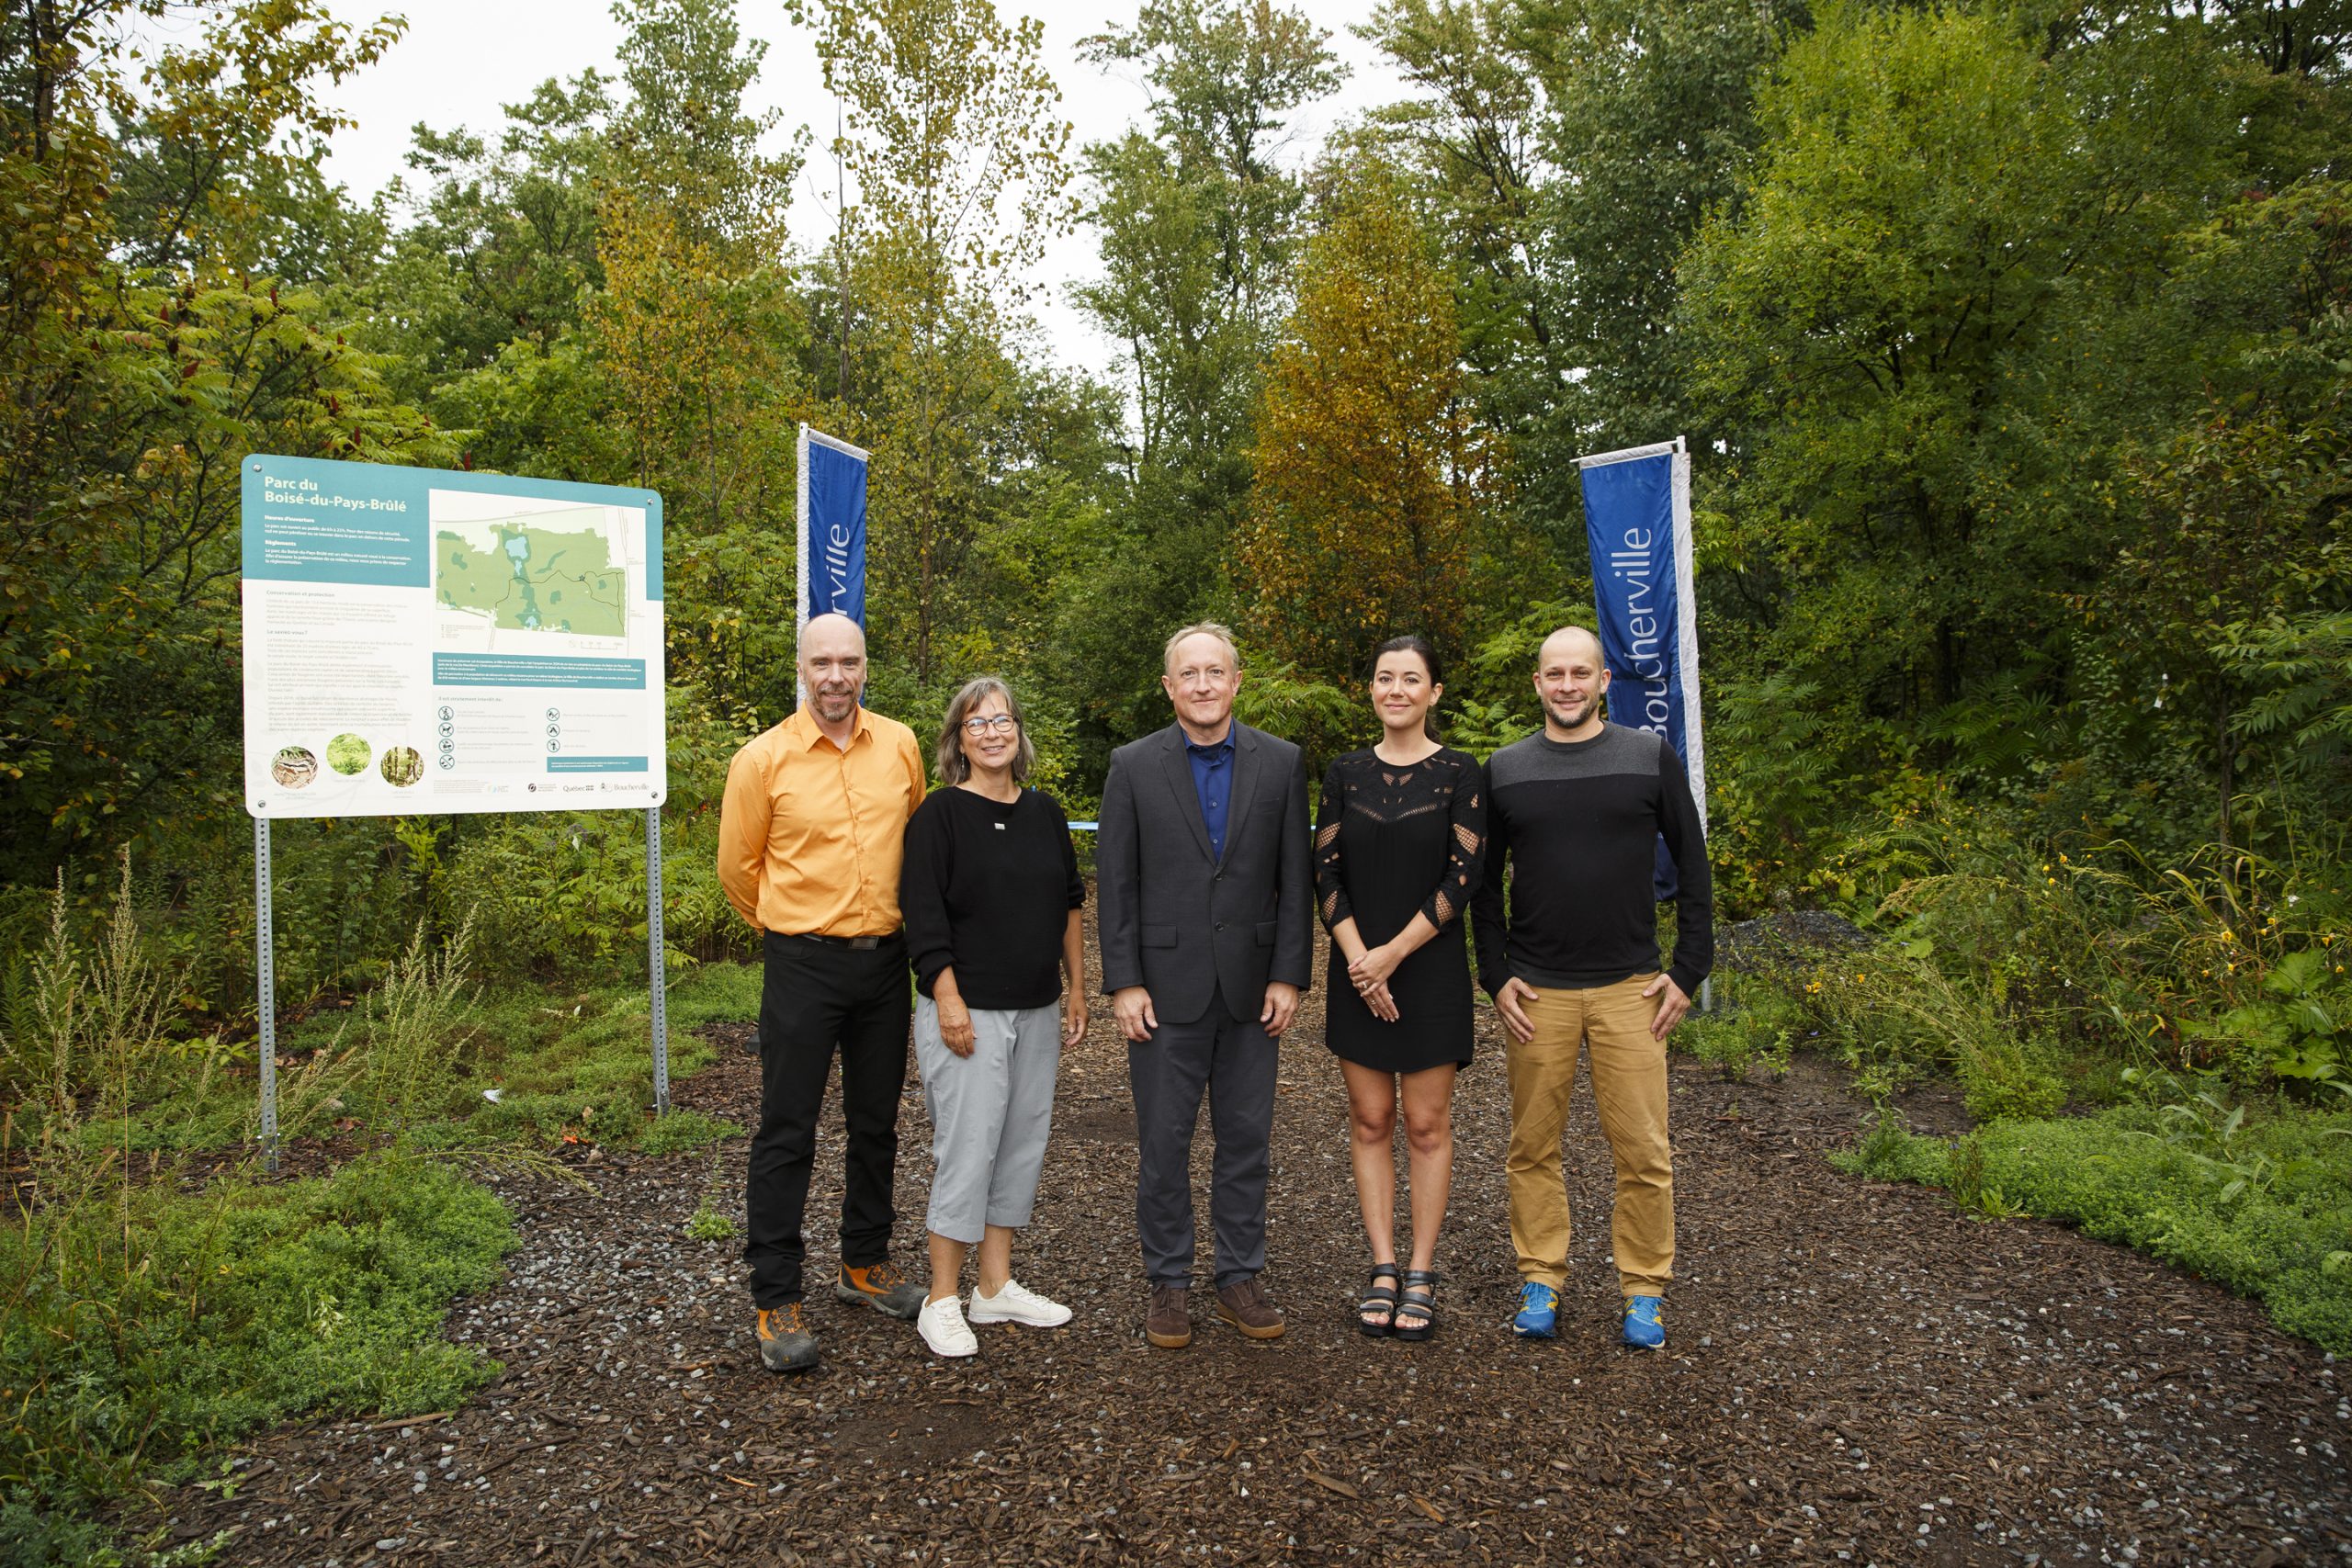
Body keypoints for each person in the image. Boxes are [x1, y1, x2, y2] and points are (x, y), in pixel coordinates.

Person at [1470, 626, 1713, 1351]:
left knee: (1643, 1148)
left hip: (1631, 989)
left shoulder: (1647, 756)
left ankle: (1643, 1291)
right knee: (1532, 1146)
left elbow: (1694, 866)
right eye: (1555, 673)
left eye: (1581, 672)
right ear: (1537, 683)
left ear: (1605, 680)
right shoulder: (1505, 769)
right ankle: (1542, 1274)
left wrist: (1689, 968)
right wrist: (1495, 975)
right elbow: (1482, 887)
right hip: (1537, 991)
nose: (1568, 684)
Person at [718, 613, 930, 1373]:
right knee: (788, 1129)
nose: (836, 675)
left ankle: (863, 1262)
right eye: (822, 662)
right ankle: (776, 1294)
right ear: (802, 667)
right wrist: (795, 927)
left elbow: (916, 844)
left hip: (885, 967)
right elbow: (739, 873)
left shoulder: (900, 745)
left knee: (876, 1122)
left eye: (850, 661)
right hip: (802, 964)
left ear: (867, 666)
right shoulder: (761, 760)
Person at [1096, 622, 1314, 1349]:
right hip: (1163, 988)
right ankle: (1168, 1280)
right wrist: (1123, 982)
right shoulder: (1132, 765)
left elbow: (1294, 878)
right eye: (1187, 673)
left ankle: (1238, 1275)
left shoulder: (1281, 764)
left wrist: (1289, 972)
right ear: (1168, 685)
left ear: (1236, 679)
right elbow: (1117, 885)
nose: (1201, 684)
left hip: (1255, 989)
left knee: (1246, 1138)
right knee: (1164, 1140)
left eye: (1214, 671)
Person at [898, 676, 1090, 1359]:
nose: (992, 732)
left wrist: (1077, 988)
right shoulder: (939, 816)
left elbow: (1071, 901)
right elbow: (923, 914)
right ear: (957, 740)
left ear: (1018, 730)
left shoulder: (1046, 812)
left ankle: (995, 1283)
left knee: (1020, 1145)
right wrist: (946, 995)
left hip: (1036, 1005)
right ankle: (941, 1298)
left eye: (1001, 719)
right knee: (968, 1146)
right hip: (967, 1009)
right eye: (976, 723)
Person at [1313, 635, 1486, 1341]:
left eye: (1411, 678)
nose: (1396, 689)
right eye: (1385, 677)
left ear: (1434, 692)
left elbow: (1464, 876)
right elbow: (1324, 872)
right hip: (1357, 964)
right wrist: (1362, 962)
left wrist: (1392, 955)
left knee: (1425, 1123)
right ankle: (1381, 1263)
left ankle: (1421, 1268)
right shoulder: (1343, 773)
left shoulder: (1461, 773)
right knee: (1371, 1119)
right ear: (1372, 689)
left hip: (1430, 966)